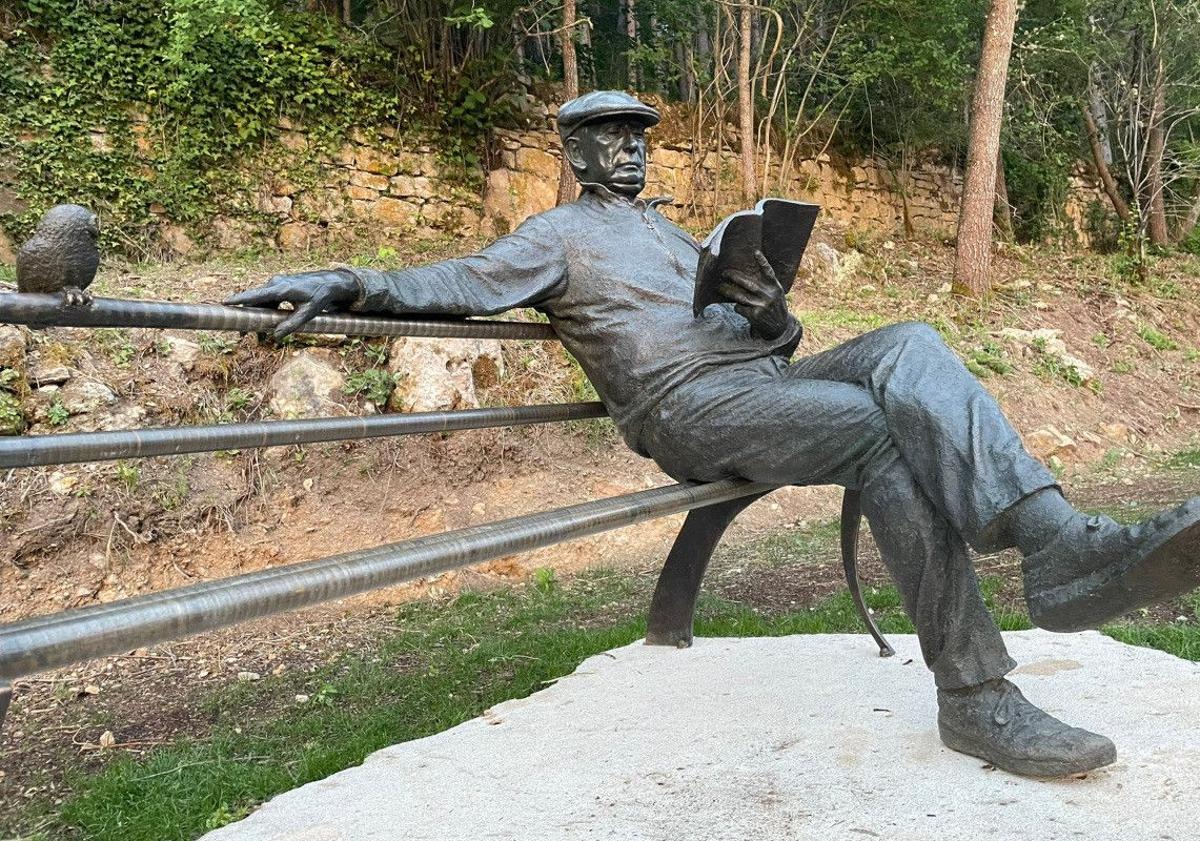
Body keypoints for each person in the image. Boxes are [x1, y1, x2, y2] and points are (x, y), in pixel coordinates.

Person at [228, 91, 1200, 777]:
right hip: (684, 412)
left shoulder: (673, 236)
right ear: (572, 154)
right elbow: (453, 285)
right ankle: (983, 687)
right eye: (611, 138)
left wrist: (766, 307)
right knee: (882, 432)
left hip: (757, 384)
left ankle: (1056, 546)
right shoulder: (553, 237)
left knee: (909, 345)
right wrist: (348, 281)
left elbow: (767, 342)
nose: (632, 151)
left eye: (641, 137)